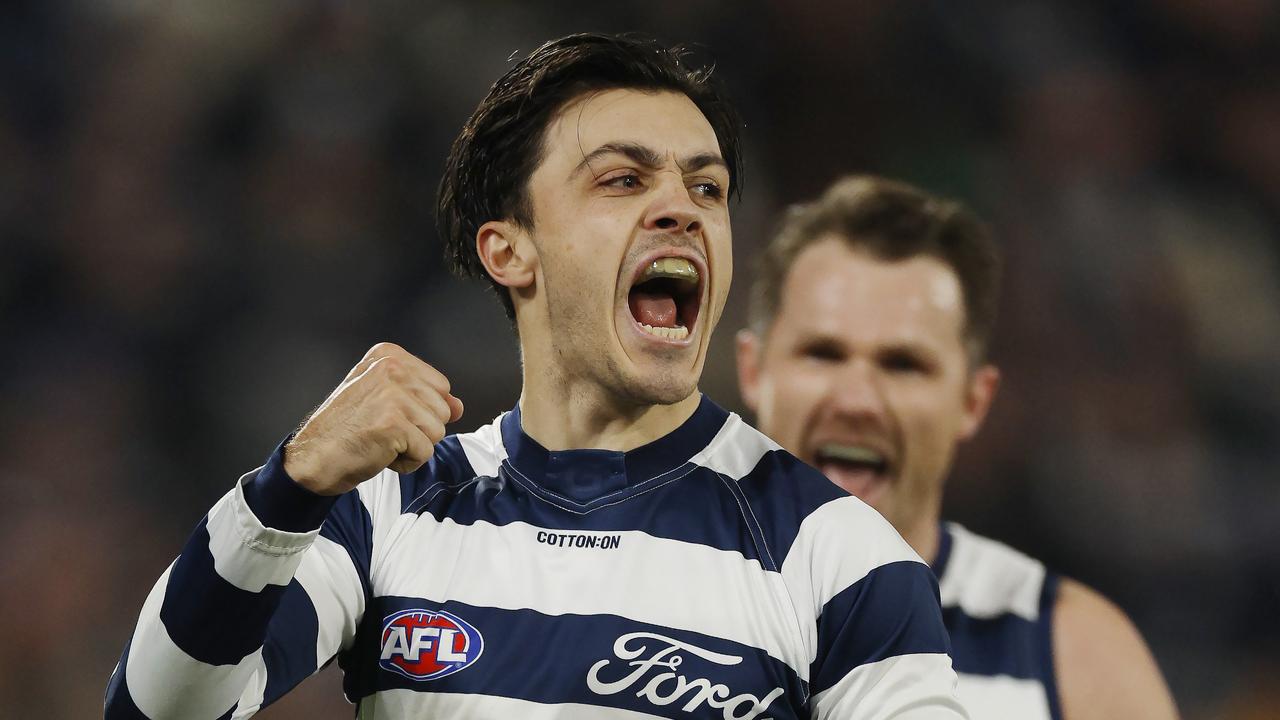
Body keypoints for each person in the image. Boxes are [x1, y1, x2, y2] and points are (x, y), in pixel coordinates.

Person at [105, 35, 968, 719]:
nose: (681, 207)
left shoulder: (841, 558)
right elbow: (157, 710)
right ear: (508, 250)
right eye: (623, 180)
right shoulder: (391, 508)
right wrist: (287, 487)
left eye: (707, 189)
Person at [735, 175, 1181, 720]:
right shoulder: (626, 591)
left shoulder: (1075, 658)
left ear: (974, 400)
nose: (856, 400)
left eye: (903, 364)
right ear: (753, 370)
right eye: (823, 353)